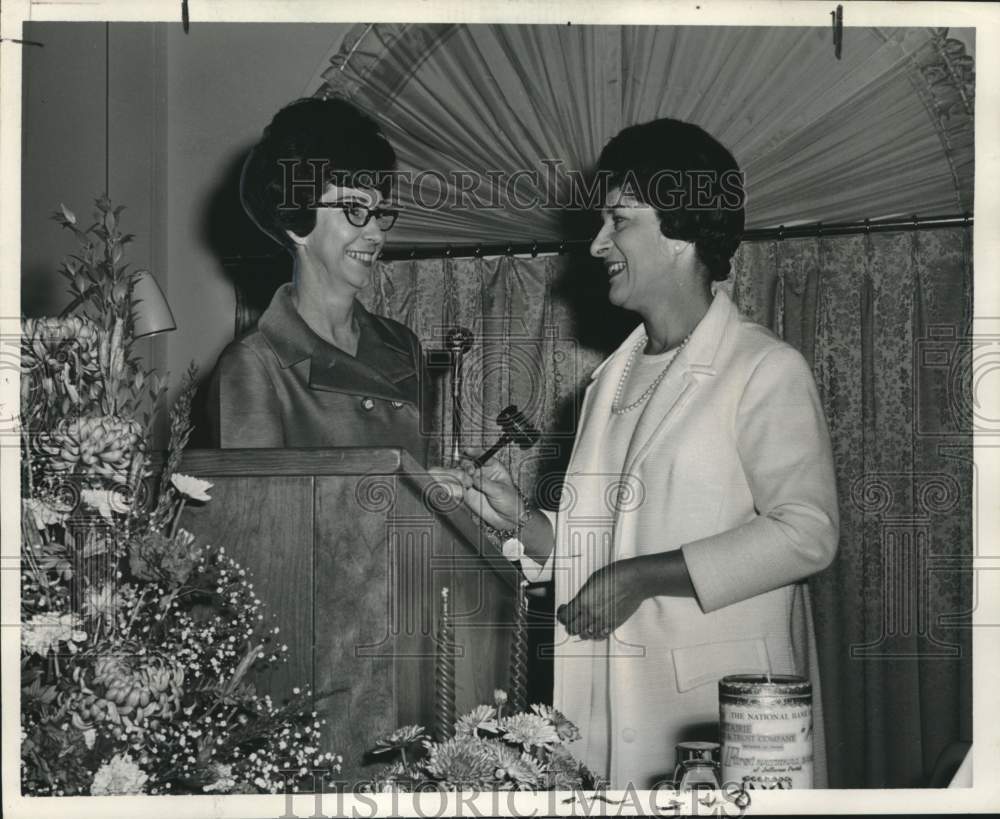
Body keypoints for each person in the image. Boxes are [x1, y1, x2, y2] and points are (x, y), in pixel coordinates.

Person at [453, 118, 839, 788]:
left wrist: (642, 576)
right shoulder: (612, 380)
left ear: (682, 230)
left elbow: (808, 533)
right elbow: (596, 548)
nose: (598, 242)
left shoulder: (764, 368)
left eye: (619, 220)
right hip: (606, 717)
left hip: (719, 728)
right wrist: (521, 522)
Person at [207, 98, 429, 465]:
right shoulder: (252, 364)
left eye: (378, 212)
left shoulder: (402, 345)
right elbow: (257, 518)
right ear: (297, 222)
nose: (375, 233)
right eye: (355, 209)